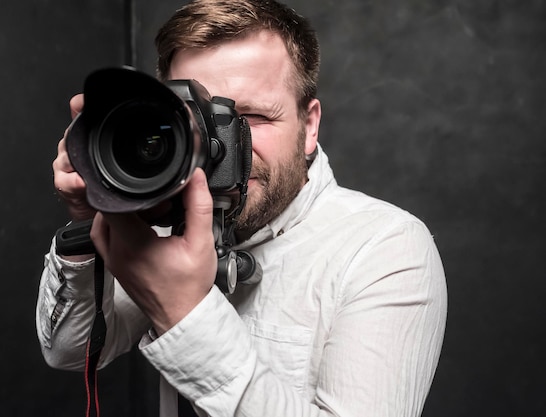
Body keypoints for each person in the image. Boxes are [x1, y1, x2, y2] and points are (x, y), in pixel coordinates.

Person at [36, 0, 448, 416]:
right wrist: (96, 216)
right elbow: (71, 350)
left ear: (309, 126)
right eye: (202, 119)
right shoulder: (156, 222)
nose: (223, 144)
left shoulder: (383, 249)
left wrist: (184, 311)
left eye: (252, 116)